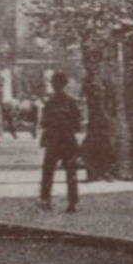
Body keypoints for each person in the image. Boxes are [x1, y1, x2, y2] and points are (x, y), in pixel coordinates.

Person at [38, 72, 82, 213]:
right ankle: (73, 202)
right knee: (71, 172)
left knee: (48, 171)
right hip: (68, 140)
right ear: (65, 84)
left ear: (54, 84)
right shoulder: (71, 102)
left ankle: (45, 200)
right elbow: (77, 124)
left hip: (53, 140)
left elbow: (44, 122)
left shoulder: (50, 102)